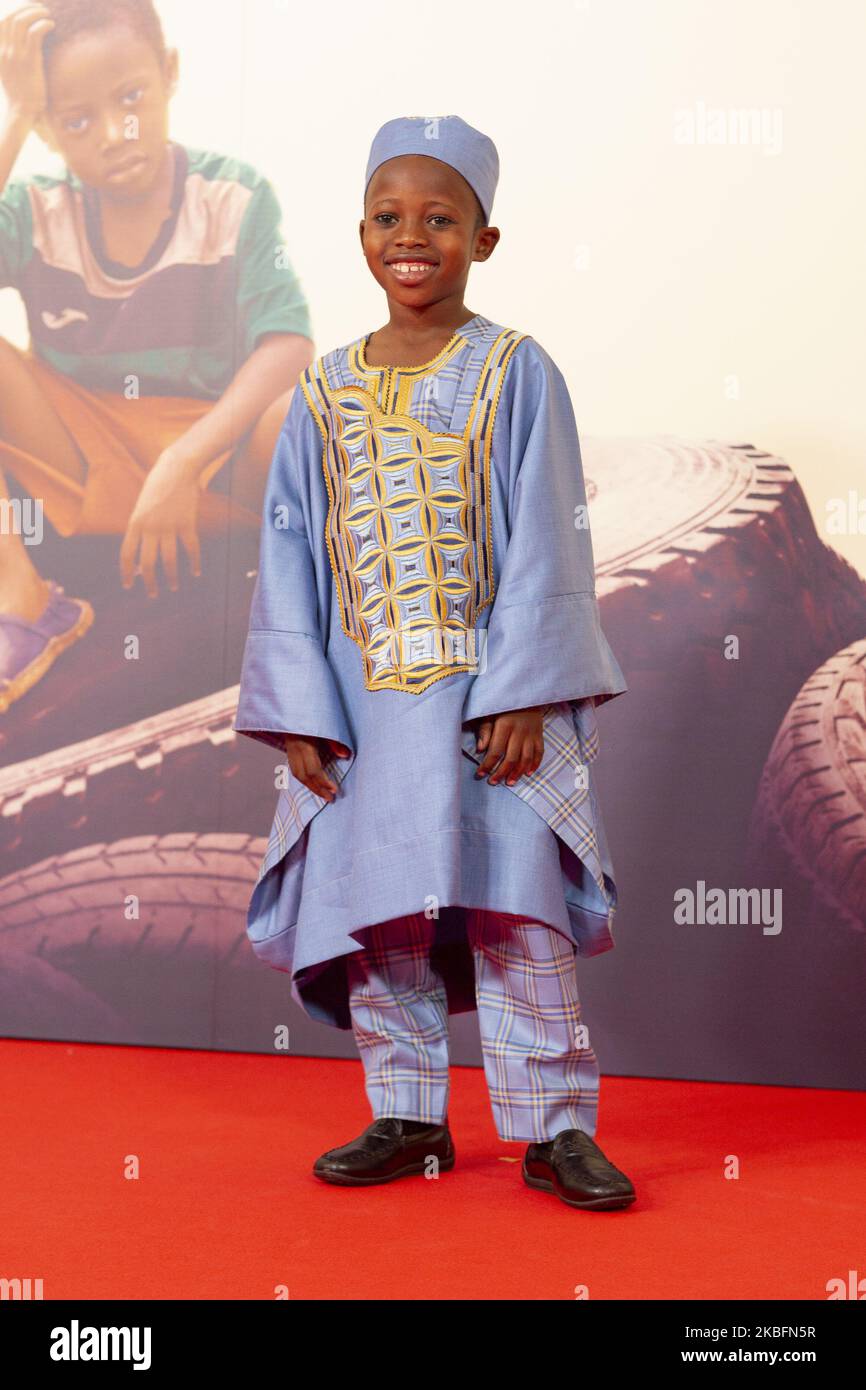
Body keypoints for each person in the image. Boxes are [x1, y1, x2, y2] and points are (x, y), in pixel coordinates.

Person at [233, 114, 635, 1212]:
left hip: (487, 703)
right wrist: (299, 710)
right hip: (362, 709)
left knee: (513, 911)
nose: (412, 237)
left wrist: (526, 695)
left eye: (440, 219)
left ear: (483, 239)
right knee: (382, 919)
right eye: (388, 217)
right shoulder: (319, 390)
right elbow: (288, 551)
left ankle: (553, 1129)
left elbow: (548, 536)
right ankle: (407, 1116)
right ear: (359, 232)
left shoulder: (516, 371)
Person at [0, 0, 314, 712]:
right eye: (75, 119)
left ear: (169, 74)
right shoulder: (36, 209)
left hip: (211, 462)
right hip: (82, 462)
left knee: (312, 411)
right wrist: (15, 111)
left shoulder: (230, 196)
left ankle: (325, 600)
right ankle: (21, 593)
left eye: (131, 99)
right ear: (49, 127)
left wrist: (184, 461)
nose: (114, 134)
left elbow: (289, 341)